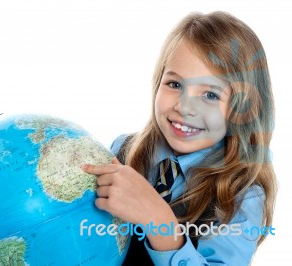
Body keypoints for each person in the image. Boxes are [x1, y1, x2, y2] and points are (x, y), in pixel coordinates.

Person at [82, 11, 277, 265]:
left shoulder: (241, 197)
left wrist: (158, 219)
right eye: (175, 85)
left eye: (210, 95)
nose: (185, 108)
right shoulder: (123, 150)